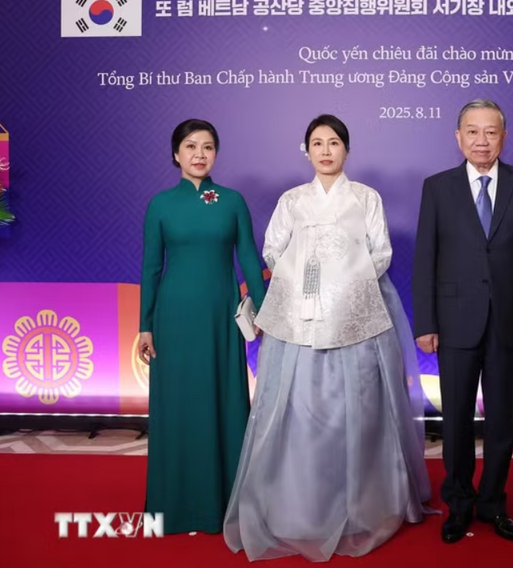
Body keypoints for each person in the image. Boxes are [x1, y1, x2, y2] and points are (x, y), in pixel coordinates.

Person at [223, 114, 432, 562]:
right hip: (301, 313)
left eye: (333, 142)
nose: (325, 150)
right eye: (316, 143)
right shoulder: (293, 200)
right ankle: (296, 504)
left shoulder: (365, 198)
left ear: (346, 149)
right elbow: (273, 250)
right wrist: (303, 280)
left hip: (355, 313)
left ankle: (362, 505)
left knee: (360, 406)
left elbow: (381, 252)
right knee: (298, 406)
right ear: (307, 150)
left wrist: (344, 287)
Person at [412, 99, 513, 544]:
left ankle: (492, 502)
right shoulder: (437, 187)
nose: (481, 140)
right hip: (453, 322)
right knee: (454, 419)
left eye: (490, 132)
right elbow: (424, 261)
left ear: (503, 137)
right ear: (458, 137)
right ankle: (458, 504)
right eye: (472, 131)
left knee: (501, 422)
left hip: (509, 320)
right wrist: (425, 323)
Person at [138, 119, 267, 535]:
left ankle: (226, 504)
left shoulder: (230, 201)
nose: (199, 154)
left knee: (224, 403)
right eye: (190, 146)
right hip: (173, 319)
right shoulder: (160, 204)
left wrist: (263, 311)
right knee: (178, 407)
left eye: (207, 147)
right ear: (176, 154)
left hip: (221, 318)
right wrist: (145, 324)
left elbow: (249, 257)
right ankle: (173, 507)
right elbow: (151, 268)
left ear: (216, 154)